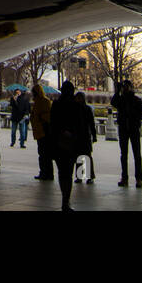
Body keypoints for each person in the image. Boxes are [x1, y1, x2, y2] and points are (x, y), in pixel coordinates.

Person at [49, 82, 86, 211]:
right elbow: (81, 126)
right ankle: (66, 200)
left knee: (61, 172)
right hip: (71, 144)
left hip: (58, 143)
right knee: (69, 173)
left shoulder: (56, 105)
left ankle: (64, 197)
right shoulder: (76, 106)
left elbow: (52, 125)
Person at [111, 80, 142, 187]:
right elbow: (113, 102)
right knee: (124, 155)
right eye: (124, 87)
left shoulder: (136, 100)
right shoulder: (121, 99)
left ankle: (138, 178)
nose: (125, 88)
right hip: (123, 129)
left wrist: (133, 117)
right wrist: (117, 92)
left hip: (133, 129)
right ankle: (125, 177)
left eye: (127, 86)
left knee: (136, 155)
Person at [30, 84, 53, 181]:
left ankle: (46, 173)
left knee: (44, 154)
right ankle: (45, 172)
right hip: (40, 131)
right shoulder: (41, 102)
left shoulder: (42, 102)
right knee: (44, 154)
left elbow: (46, 117)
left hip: (43, 132)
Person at [75, 92, 98, 184]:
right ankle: (85, 176)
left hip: (83, 135)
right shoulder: (85, 109)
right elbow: (91, 124)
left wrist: (94, 135)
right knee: (82, 156)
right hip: (83, 135)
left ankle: (86, 176)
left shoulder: (82, 109)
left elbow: (91, 124)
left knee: (85, 156)